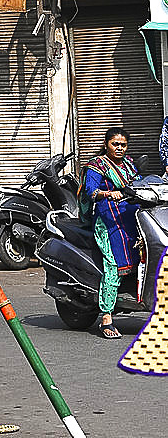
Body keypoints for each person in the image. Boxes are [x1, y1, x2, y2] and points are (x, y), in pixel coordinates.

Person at [79, 126, 139, 339]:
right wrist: (107, 193)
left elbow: (139, 183)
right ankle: (106, 317)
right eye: (116, 144)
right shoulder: (96, 166)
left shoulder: (129, 164)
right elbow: (90, 191)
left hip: (132, 218)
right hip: (107, 221)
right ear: (107, 144)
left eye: (123, 144)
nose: (120, 148)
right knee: (113, 265)